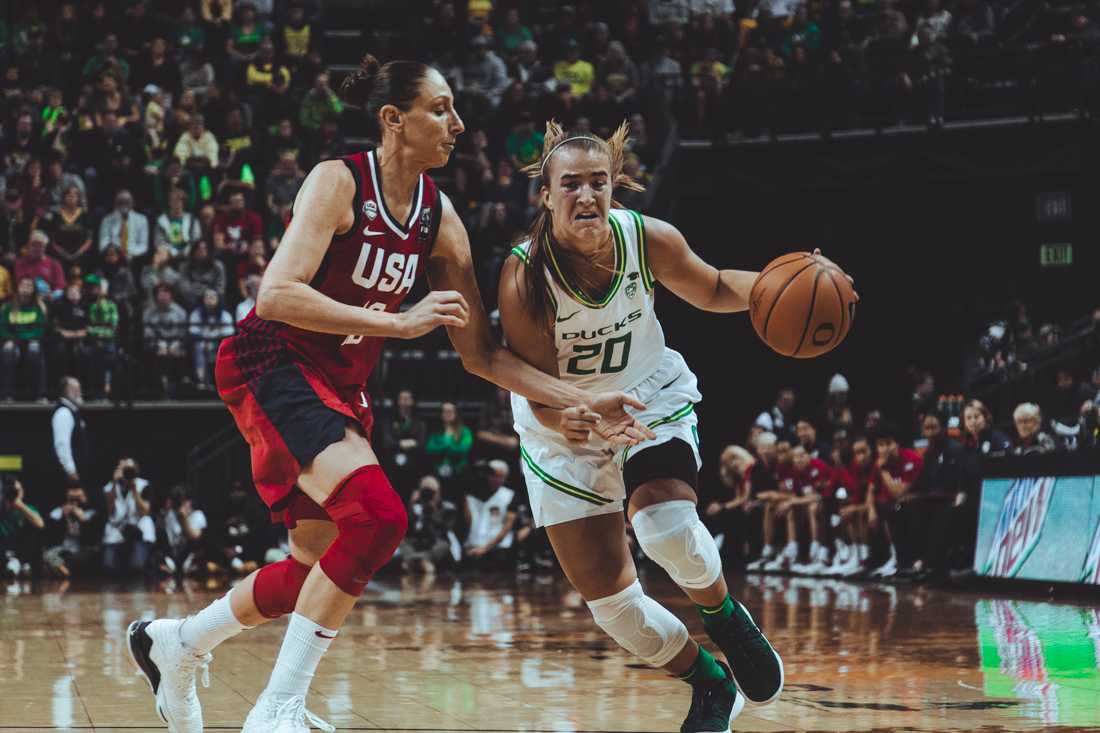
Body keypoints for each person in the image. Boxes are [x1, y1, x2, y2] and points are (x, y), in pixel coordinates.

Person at [128, 56, 654, 733]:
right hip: (273, 357)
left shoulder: (441, 218)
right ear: (393, 119)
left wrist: (576, 397)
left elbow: (483, 355)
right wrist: (394, 322)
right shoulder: (337, 182)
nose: (458, 124)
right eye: (442, 108)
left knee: (312, 569)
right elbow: (276, 294)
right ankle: (276, 709)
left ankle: (175, 643)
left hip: (335, 383)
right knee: (378, 518)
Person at [498, 121, 788, 732]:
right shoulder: (525, 276)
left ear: (615, 186)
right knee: (614, 609)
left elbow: (710, 287)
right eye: (570, 184)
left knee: (663, 527)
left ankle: (726, 616)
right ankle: (710, 685)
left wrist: (775, 288)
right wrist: (569, 418)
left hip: (647, 396)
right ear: (546, 195)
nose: (586, 196)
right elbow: (535, 385)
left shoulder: (644, 237)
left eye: (598, 182)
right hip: (562, 427)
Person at [101, 458, 154, 575]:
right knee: (108, 567)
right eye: (124, 469)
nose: (127, 472)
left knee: (137, 567)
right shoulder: (109, 487)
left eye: (130, 469)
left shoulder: (143, 485)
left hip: (139, 531)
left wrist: (135, 491)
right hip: (116, 531)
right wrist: (114, 483)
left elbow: (145, 511)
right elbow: (110, 511)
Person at [426, 401, 474, 480]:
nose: (447, 414)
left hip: (459, 472)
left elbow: (464, 449)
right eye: (444, 411)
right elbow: (429, 448)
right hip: (437, 471)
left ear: (456, 413)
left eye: (450, 411)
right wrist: (449, 447)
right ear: (441, 414)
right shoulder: (435, 431)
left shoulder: (465, 431)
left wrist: (442, 448)